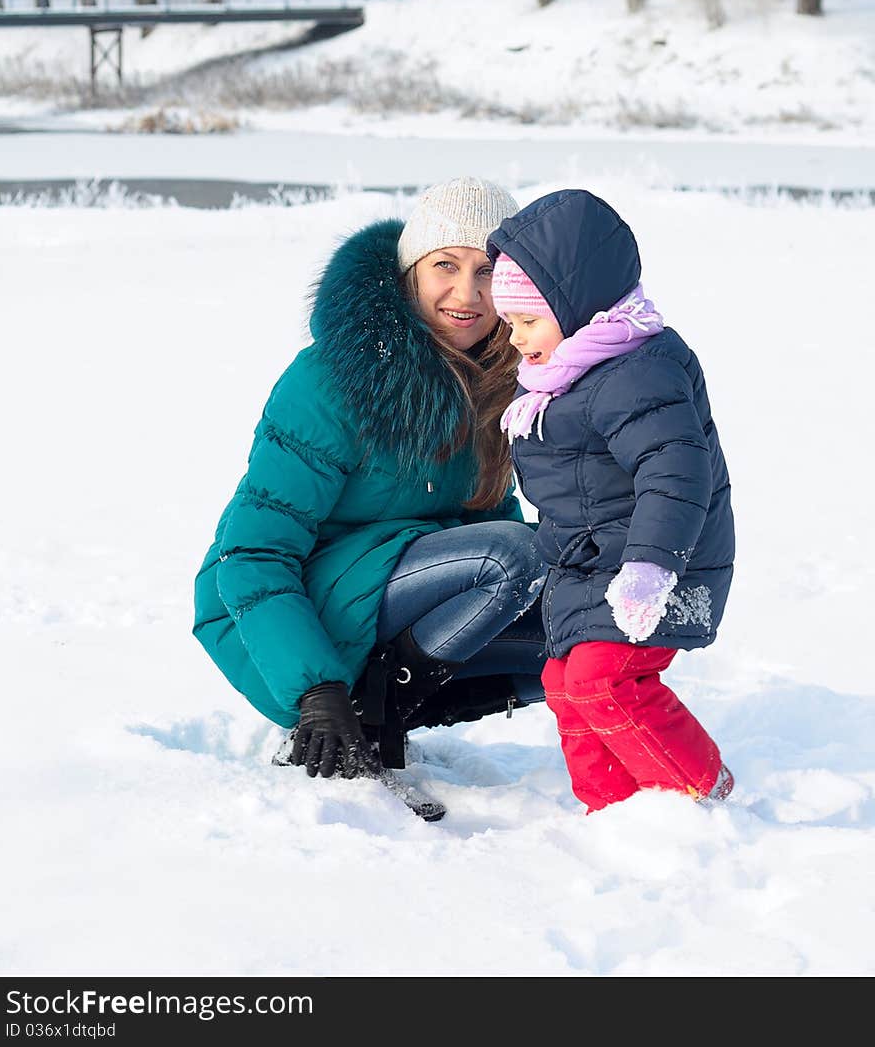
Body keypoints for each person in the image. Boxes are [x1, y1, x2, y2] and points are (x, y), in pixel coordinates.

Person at [193, 176, 547, 789]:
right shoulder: (333, 379)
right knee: (515, 557)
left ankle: (394, 707)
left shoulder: (494, 378)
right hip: (279, 614)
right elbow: (250, 554)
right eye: (446, 266)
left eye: (488, 272)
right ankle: (364, 708)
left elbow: (491, 516)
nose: (467, 293)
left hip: (394, 593)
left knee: (579, 619)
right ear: (411, 271)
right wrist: (316, 689)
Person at [486, 187, 735, 812]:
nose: (516, 339)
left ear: (575, 307)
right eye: (510, 323)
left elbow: (676, 472)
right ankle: (615, 811)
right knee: (564, 683)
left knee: (604, 679)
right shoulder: (565, 376)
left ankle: (697, 795)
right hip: (593, 565)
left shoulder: (637, 370)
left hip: (658, 567)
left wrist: (651, 568)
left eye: (528, 321)